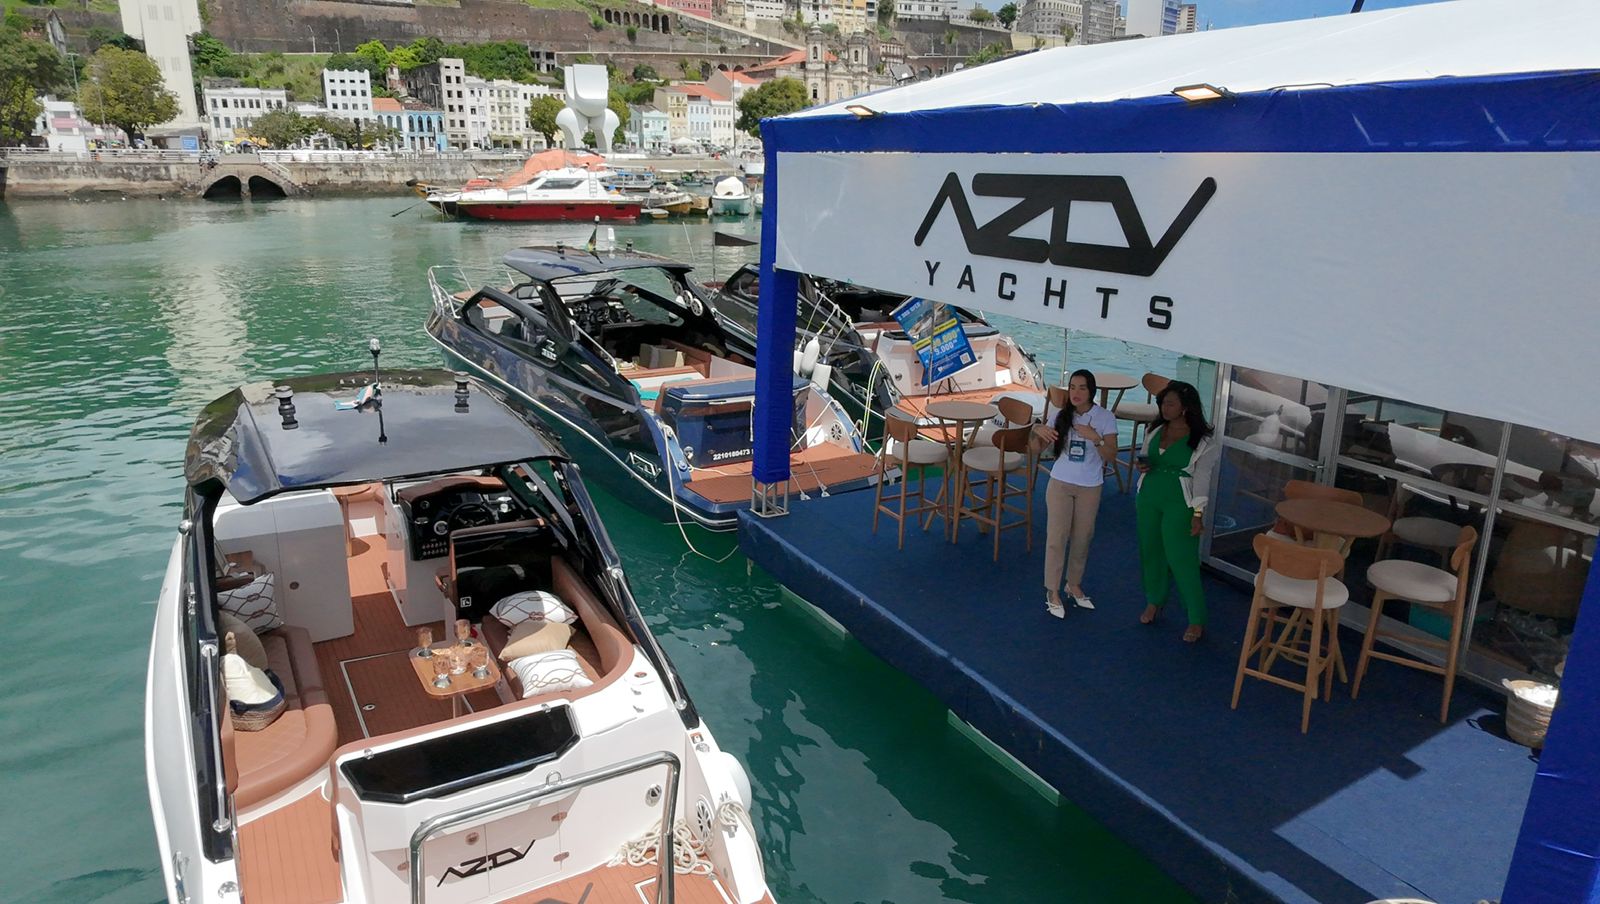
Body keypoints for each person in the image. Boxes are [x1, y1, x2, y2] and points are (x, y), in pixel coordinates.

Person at [1135, 381, 1217, 643]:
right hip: (1149, 496)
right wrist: (1142, 465)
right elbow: (1144, 455)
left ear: (1185, 407)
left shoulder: (1203, 441)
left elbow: (1202, 478)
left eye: (1170, 404)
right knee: (1151, 551)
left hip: (1179, 501)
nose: (1164, 408)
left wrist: (1198, 513)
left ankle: (1196, 617)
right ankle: (1154, 600)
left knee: (1182, 559)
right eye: (1162, 403)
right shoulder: (1155, 429)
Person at [1031, 369, 1118, 618]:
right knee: (1056, 538)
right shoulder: (1060, 415)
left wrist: (1096, 439)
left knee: (1082, 538)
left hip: (1090, 486)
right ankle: (1052, 590)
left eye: (1082, 387)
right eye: (1072, 387)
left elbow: (1111, 455)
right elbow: (1036, 450)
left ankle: (1073, 584)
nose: (1076, 393)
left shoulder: (1105, 417)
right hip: (1060, 483)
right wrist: (1036, 431)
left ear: (1091, 390)